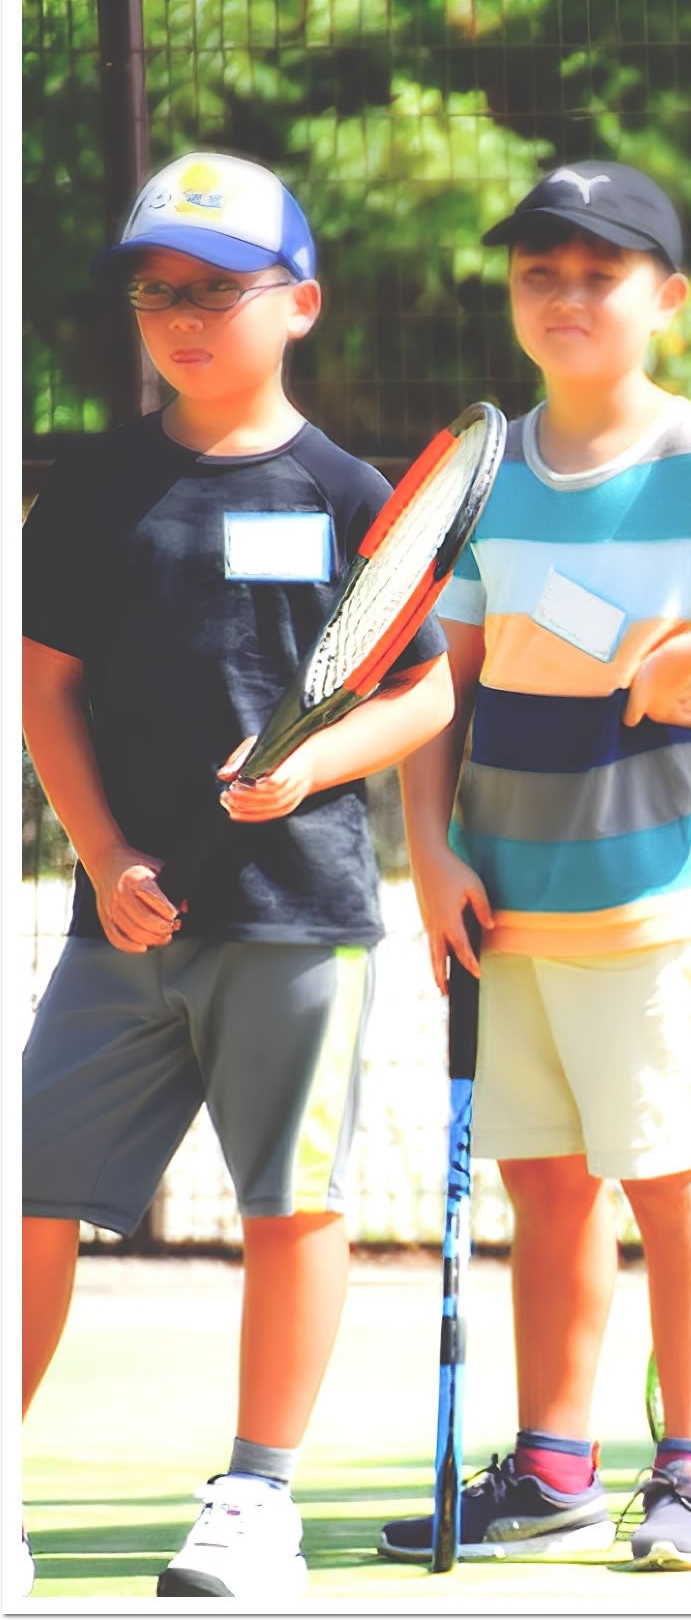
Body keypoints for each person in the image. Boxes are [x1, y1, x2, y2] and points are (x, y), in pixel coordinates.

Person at [376, 160, 691, 1570]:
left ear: (665, 298)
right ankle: (551, 1470)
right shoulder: (487, 470)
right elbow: (445, 683)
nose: (565, 296)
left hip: (652, 897)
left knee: (673, 1182)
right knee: (545, 1186)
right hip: (502, 899)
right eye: (540, 271)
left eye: (599, 273)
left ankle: (689, 1473)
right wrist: (429, 851)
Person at [19, 151, 458, 1600]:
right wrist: (103, 851)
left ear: (303, 303)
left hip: (299, 916)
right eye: (157, 293)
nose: (182, 317)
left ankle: (256, 1498)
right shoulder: (92, 485)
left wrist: (317, 769)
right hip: (120, 921)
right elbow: (43, 686)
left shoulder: (350, 492)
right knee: (30, 1191)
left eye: (216, 290)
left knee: (293, 1204)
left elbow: (423, 697)